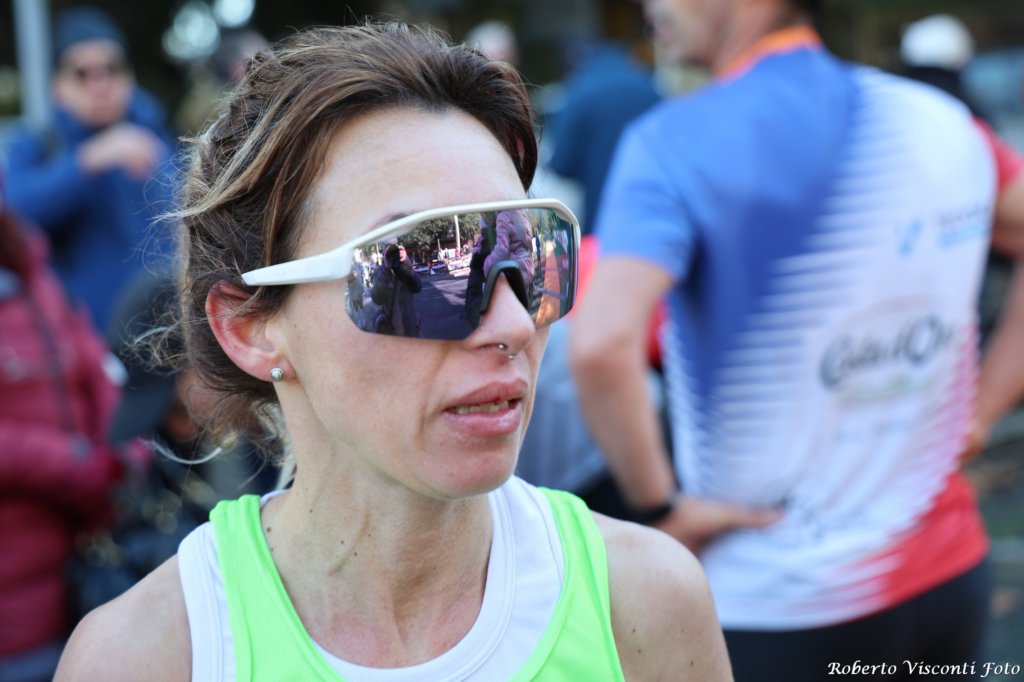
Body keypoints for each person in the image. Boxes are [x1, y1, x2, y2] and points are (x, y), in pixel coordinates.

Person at [54, 23, 732, 681]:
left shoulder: (644, 602)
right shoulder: (150, 657)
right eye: (425, 265)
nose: (515, 324)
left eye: (530, 252)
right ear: (250, 326)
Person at [570, 0, 1024, 678]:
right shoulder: (940, 119)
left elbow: (600, 345)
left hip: (777, 598)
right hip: (946, 573)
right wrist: (982, 412)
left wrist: (661, 508)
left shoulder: (673, 142)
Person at [0, 176, 124, 682]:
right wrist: (73, 463)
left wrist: (121, 441)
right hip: (15, 575)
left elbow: (90, 357)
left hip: (83, 555)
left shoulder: (27, 262)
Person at [4, 6, 178, 332]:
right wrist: (88, 161)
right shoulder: (37, 146)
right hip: (87, 344)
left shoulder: (158, 138)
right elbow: (13, 211)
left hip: (168, 335)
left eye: (111, 68)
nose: (100, 83)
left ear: (130, 76)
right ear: (58, 86)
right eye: (82, 73)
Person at [547, 39, 661, 235]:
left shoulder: (580, 92)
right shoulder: (649, 88)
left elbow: (561, 164)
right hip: (653, 217)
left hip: (602, 220)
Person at [371, 242, 423, 337]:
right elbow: (377, 299)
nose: (393, 255)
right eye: (389, 252)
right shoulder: (380, 272)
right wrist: (386, 270)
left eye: (395, 250)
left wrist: (405, 262)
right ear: (384, 254)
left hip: (413, 328)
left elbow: (418, 287)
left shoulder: (405, 266)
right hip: (394, 331)